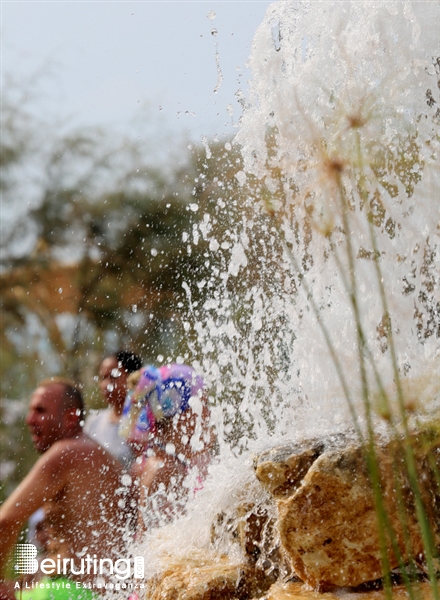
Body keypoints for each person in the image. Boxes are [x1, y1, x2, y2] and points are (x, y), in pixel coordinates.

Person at [0, 378, 129, 600]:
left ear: (71, 418)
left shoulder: (66, 452)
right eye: (31, 411)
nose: (30, 419)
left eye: (40, 411)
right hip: (112, 592)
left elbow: (6, 520)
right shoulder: (103, 459)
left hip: (78, 593)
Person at [119, 364, 216, 533]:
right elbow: (152, 549)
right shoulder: (162, 470)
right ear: (179, 416)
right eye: (202, 405)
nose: (208, 414)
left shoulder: (183, 461)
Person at [84, 351, 142, 469]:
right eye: (103, 377)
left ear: (133, 378)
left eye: (113, 377)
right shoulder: (93, 423)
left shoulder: (145, 422)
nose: (106, 384)